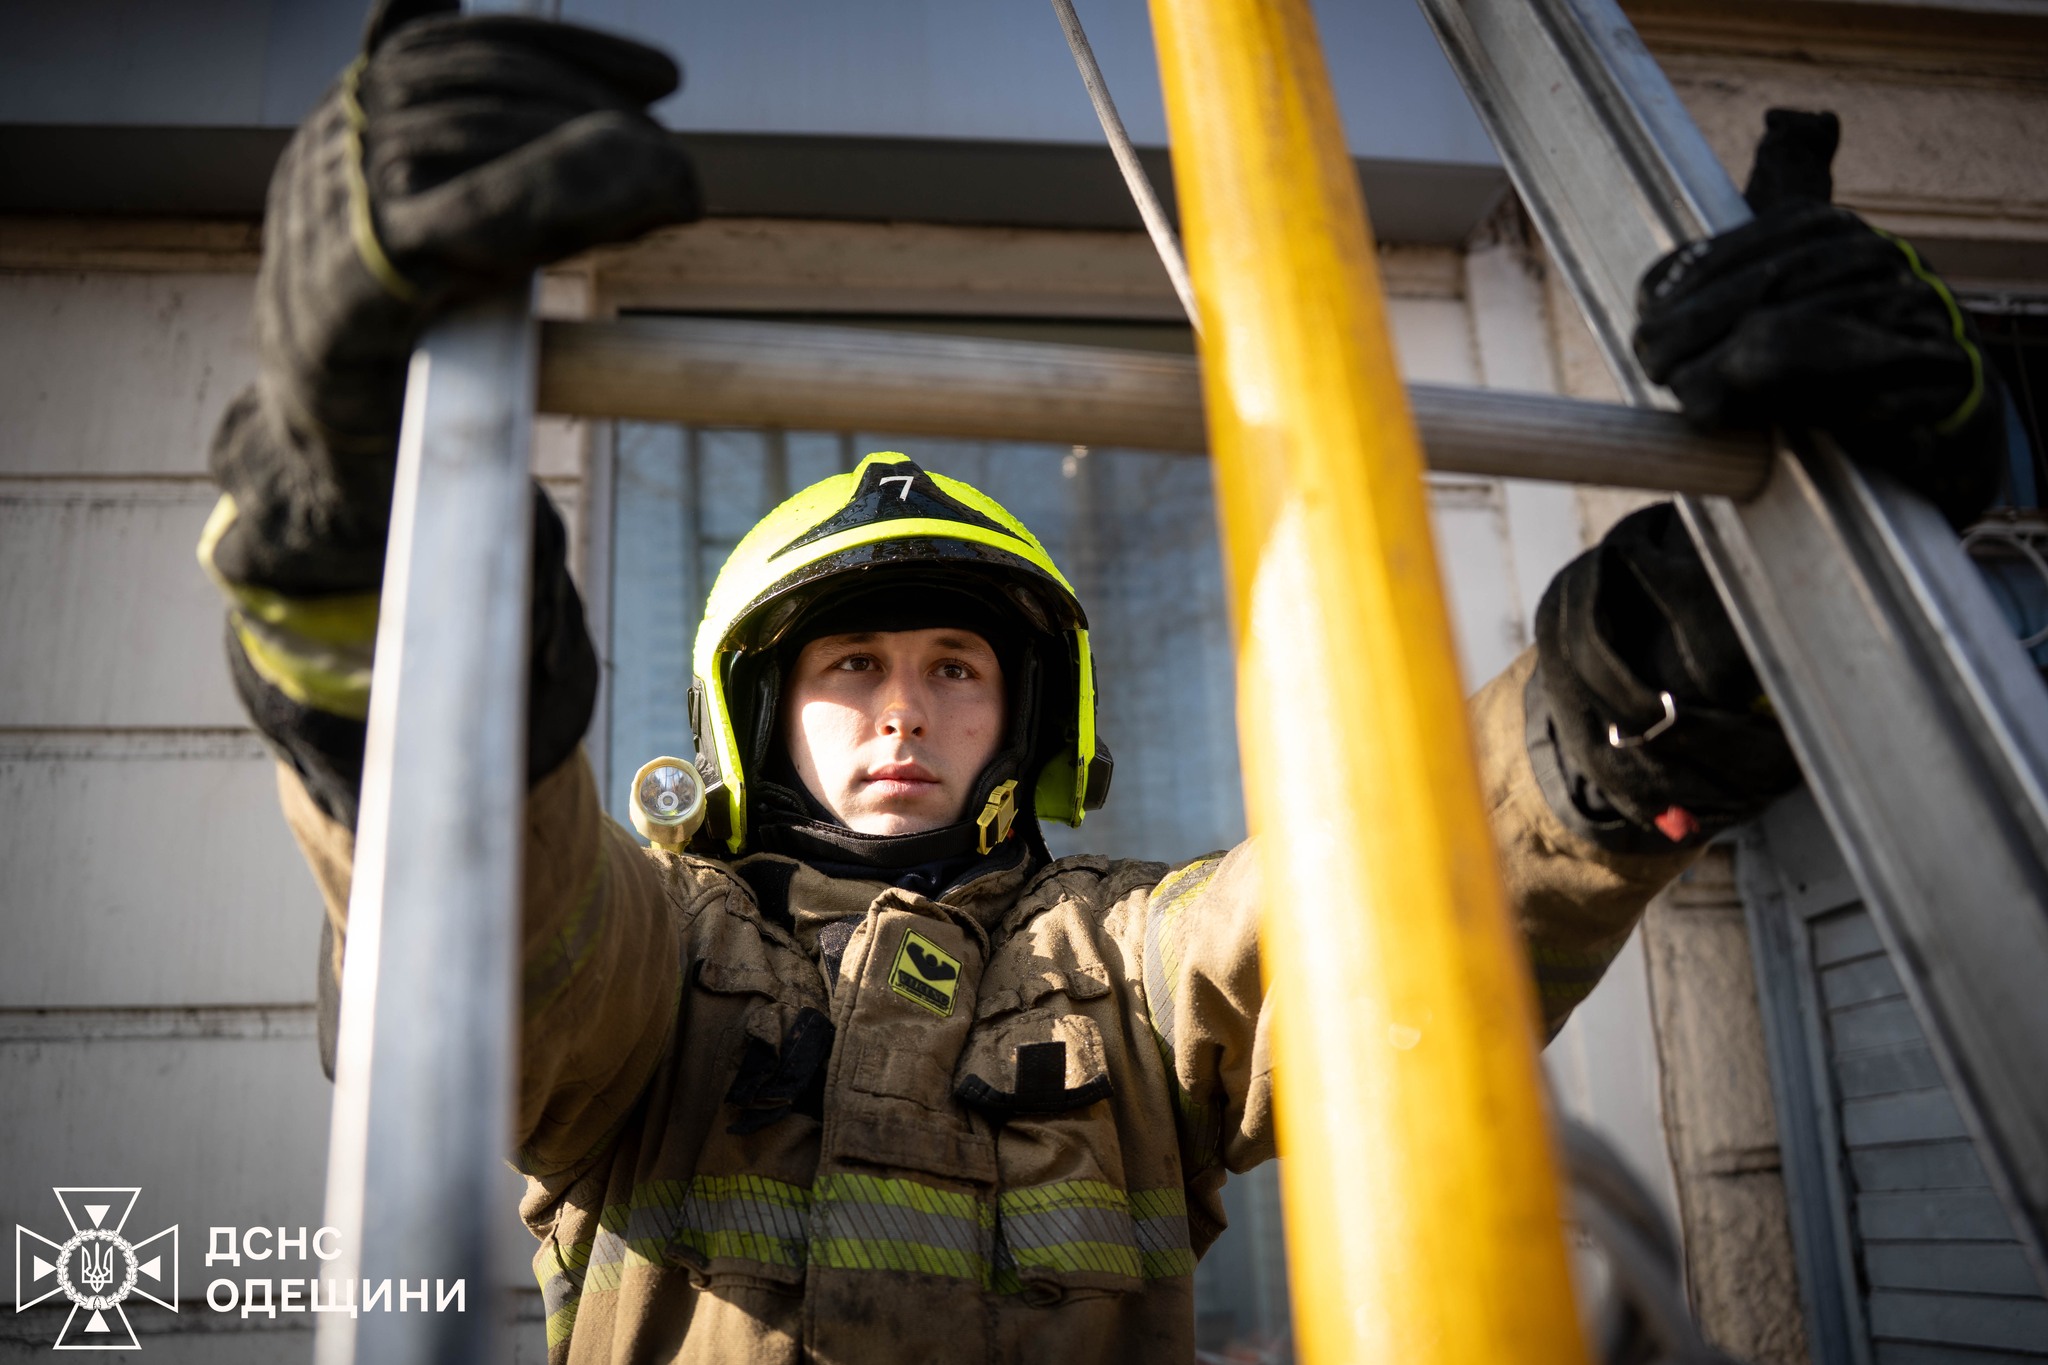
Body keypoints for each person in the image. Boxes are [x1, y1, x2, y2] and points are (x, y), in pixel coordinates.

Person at [194, 4, 2005, 1361]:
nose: (902, 708)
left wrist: (1663, 654)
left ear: (1023, 711)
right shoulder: (662, 957)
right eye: (850, 667)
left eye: (953, 664)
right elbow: (487, 923)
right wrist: (376, 558)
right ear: (763, 712)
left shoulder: (1128, 968)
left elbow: (1391, 894)